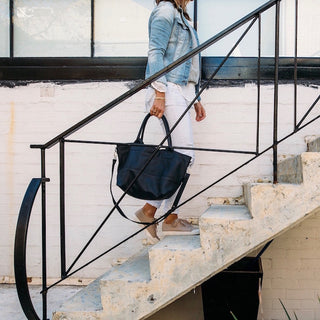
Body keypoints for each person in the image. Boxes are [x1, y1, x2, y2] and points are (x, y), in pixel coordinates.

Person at [135, 0, 206, 243]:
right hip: (169, 90)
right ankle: (164, 217)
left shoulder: (181, 15)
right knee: (185, 157)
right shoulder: (165, 11)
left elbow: (189, 63)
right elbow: (156, 52)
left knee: (181, 157)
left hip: (182, 91)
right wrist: (160, 93)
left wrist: (195, 97)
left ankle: (155, 213)